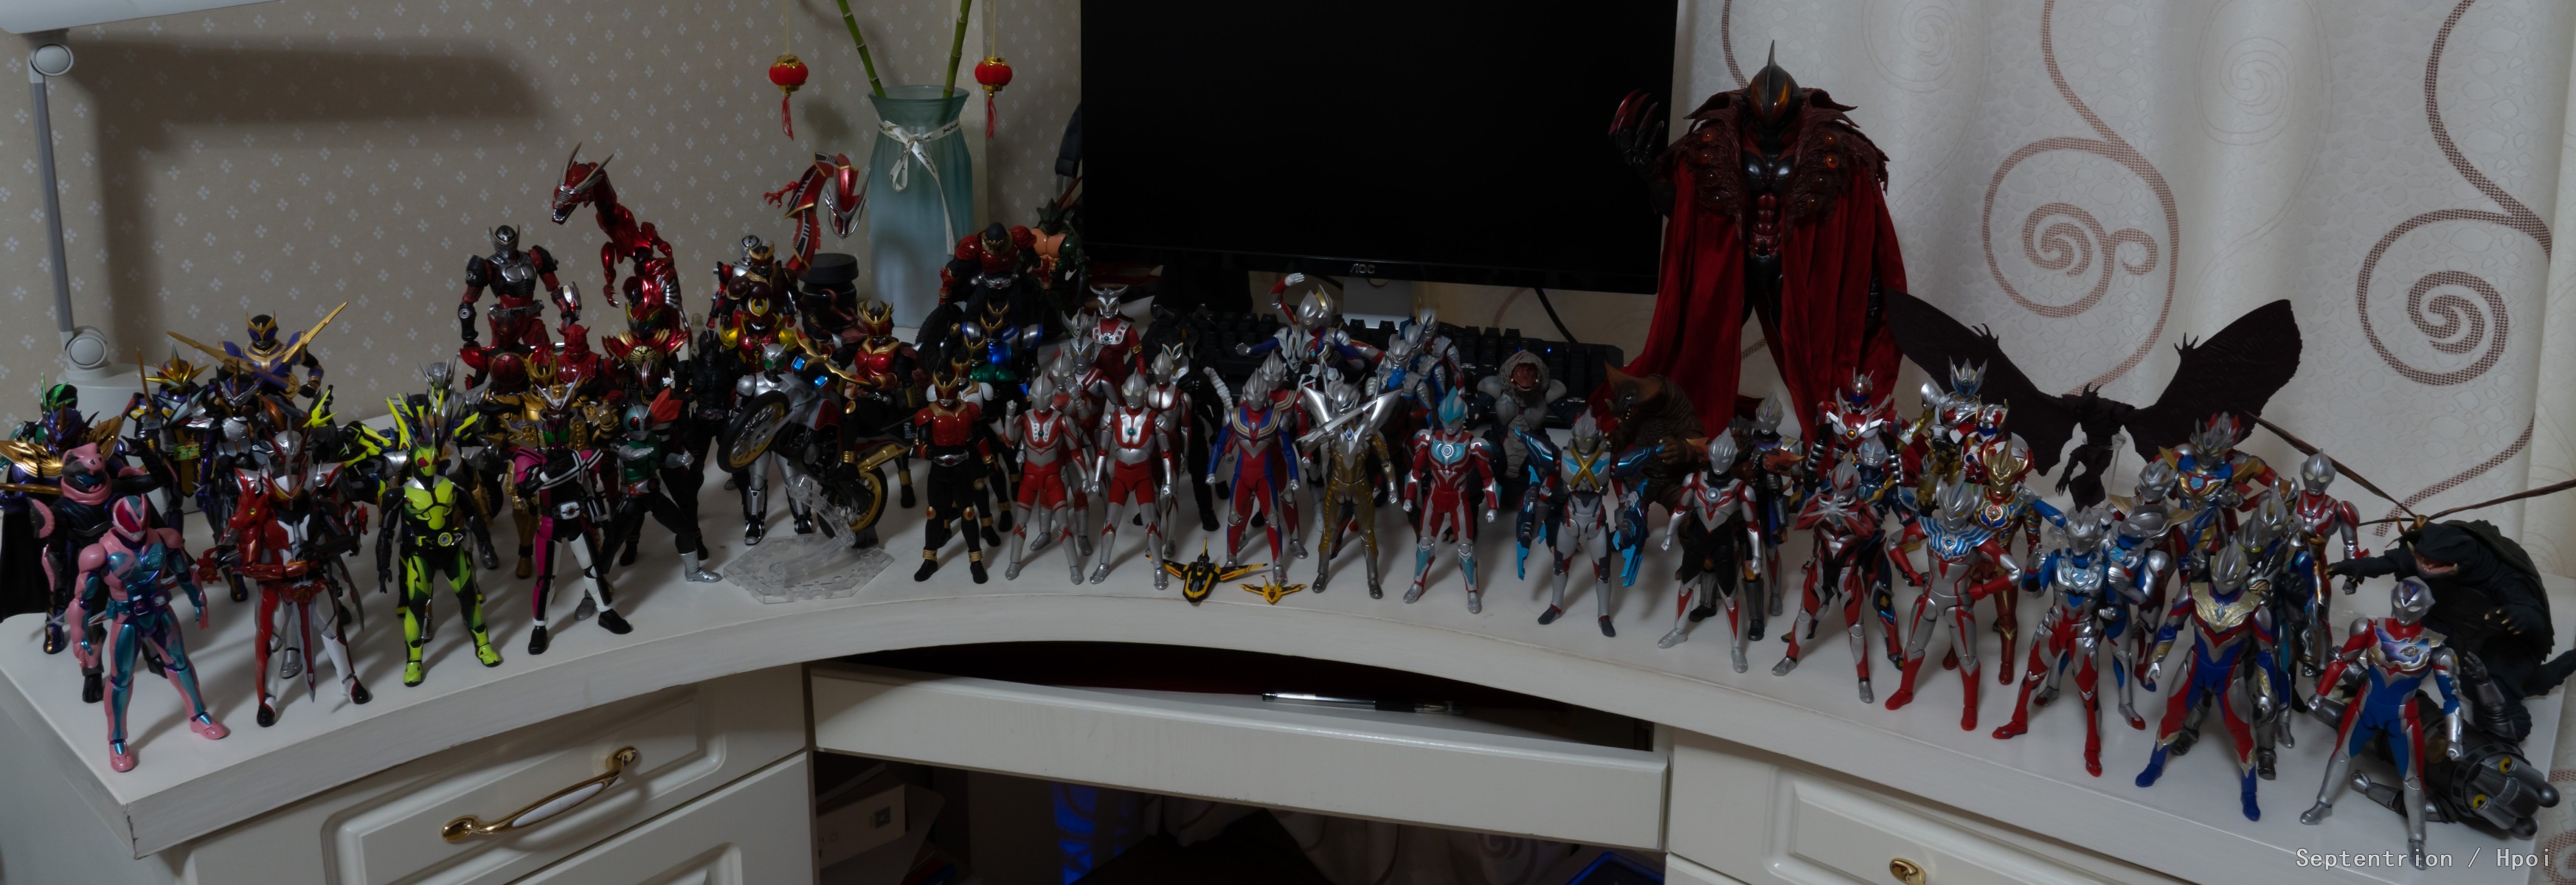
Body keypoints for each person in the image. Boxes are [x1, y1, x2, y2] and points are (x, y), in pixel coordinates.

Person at [2331, 520, 2572, 740]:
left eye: (2435, 559)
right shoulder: (2430, 556)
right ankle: (2366, 694)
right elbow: (2394, 561)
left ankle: (2501, 735)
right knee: (2396, 654)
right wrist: (2357, 567)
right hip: (2443, 628)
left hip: (2495, 648)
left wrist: (2520, 615)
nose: (2426, 563)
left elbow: (2534, 616)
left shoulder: (2504, 575)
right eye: (2423, 555)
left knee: (2487, 695)